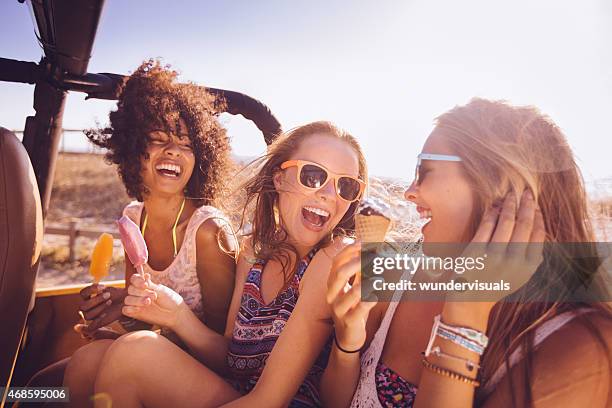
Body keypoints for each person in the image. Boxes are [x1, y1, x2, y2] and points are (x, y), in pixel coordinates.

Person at [323, 98, 611, 407]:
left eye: (425, 170)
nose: (409, 191)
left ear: (496, 184)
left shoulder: (580, 348)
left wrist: (463, 318)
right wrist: (347, 344)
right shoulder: (399, 277)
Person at [91, 121, 367, 407]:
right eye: (313, 175)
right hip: (237, 393)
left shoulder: (334, 258)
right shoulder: (252, 253)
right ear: (279, 178)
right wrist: (178, 317)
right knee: (89, 363)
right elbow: (232, 361)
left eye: (346, 186)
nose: (329, 194)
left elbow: (268, 400)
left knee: (134, 354)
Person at [58, 59, 238, 407]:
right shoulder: (132, 218)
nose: (172, 150)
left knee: (120, 357)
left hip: (207, 372)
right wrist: (117, 313)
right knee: (75, 368)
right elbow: (140, 319)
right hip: (154, 350)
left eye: (186, 144)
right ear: (131, 151)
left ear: (200, 158)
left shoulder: (208, 233)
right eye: (157, 139)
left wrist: (165, 321)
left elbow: (226, 353)